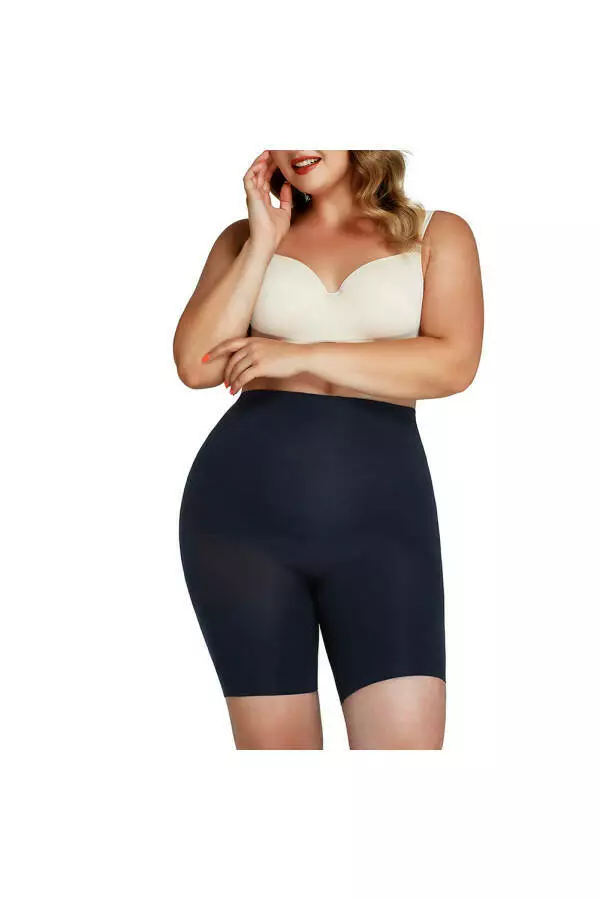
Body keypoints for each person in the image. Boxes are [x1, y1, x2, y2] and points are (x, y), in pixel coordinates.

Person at [174, 150, 484, 750]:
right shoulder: (243, 239)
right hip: (242, 523)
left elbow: (453, 363)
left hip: (384, 529)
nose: (298, 146)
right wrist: (263, 243)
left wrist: (301, 354)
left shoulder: (436, 234)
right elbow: (197, 364)